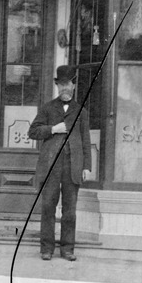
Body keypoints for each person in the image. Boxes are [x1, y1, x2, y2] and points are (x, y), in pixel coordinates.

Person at [28, 65, 91, 261]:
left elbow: (86, 141)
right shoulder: (47, 108)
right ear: (57, 86)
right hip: (51, 166)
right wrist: (53, 129)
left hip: (73, 166)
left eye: (68, 84)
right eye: (61, 84)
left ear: (73, 86)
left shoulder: (81, 112)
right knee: (48, 206)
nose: (64, 88)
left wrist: (87, 166)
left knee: (70, 210)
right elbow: (33, 132)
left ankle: (67, 249)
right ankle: (46, 248)